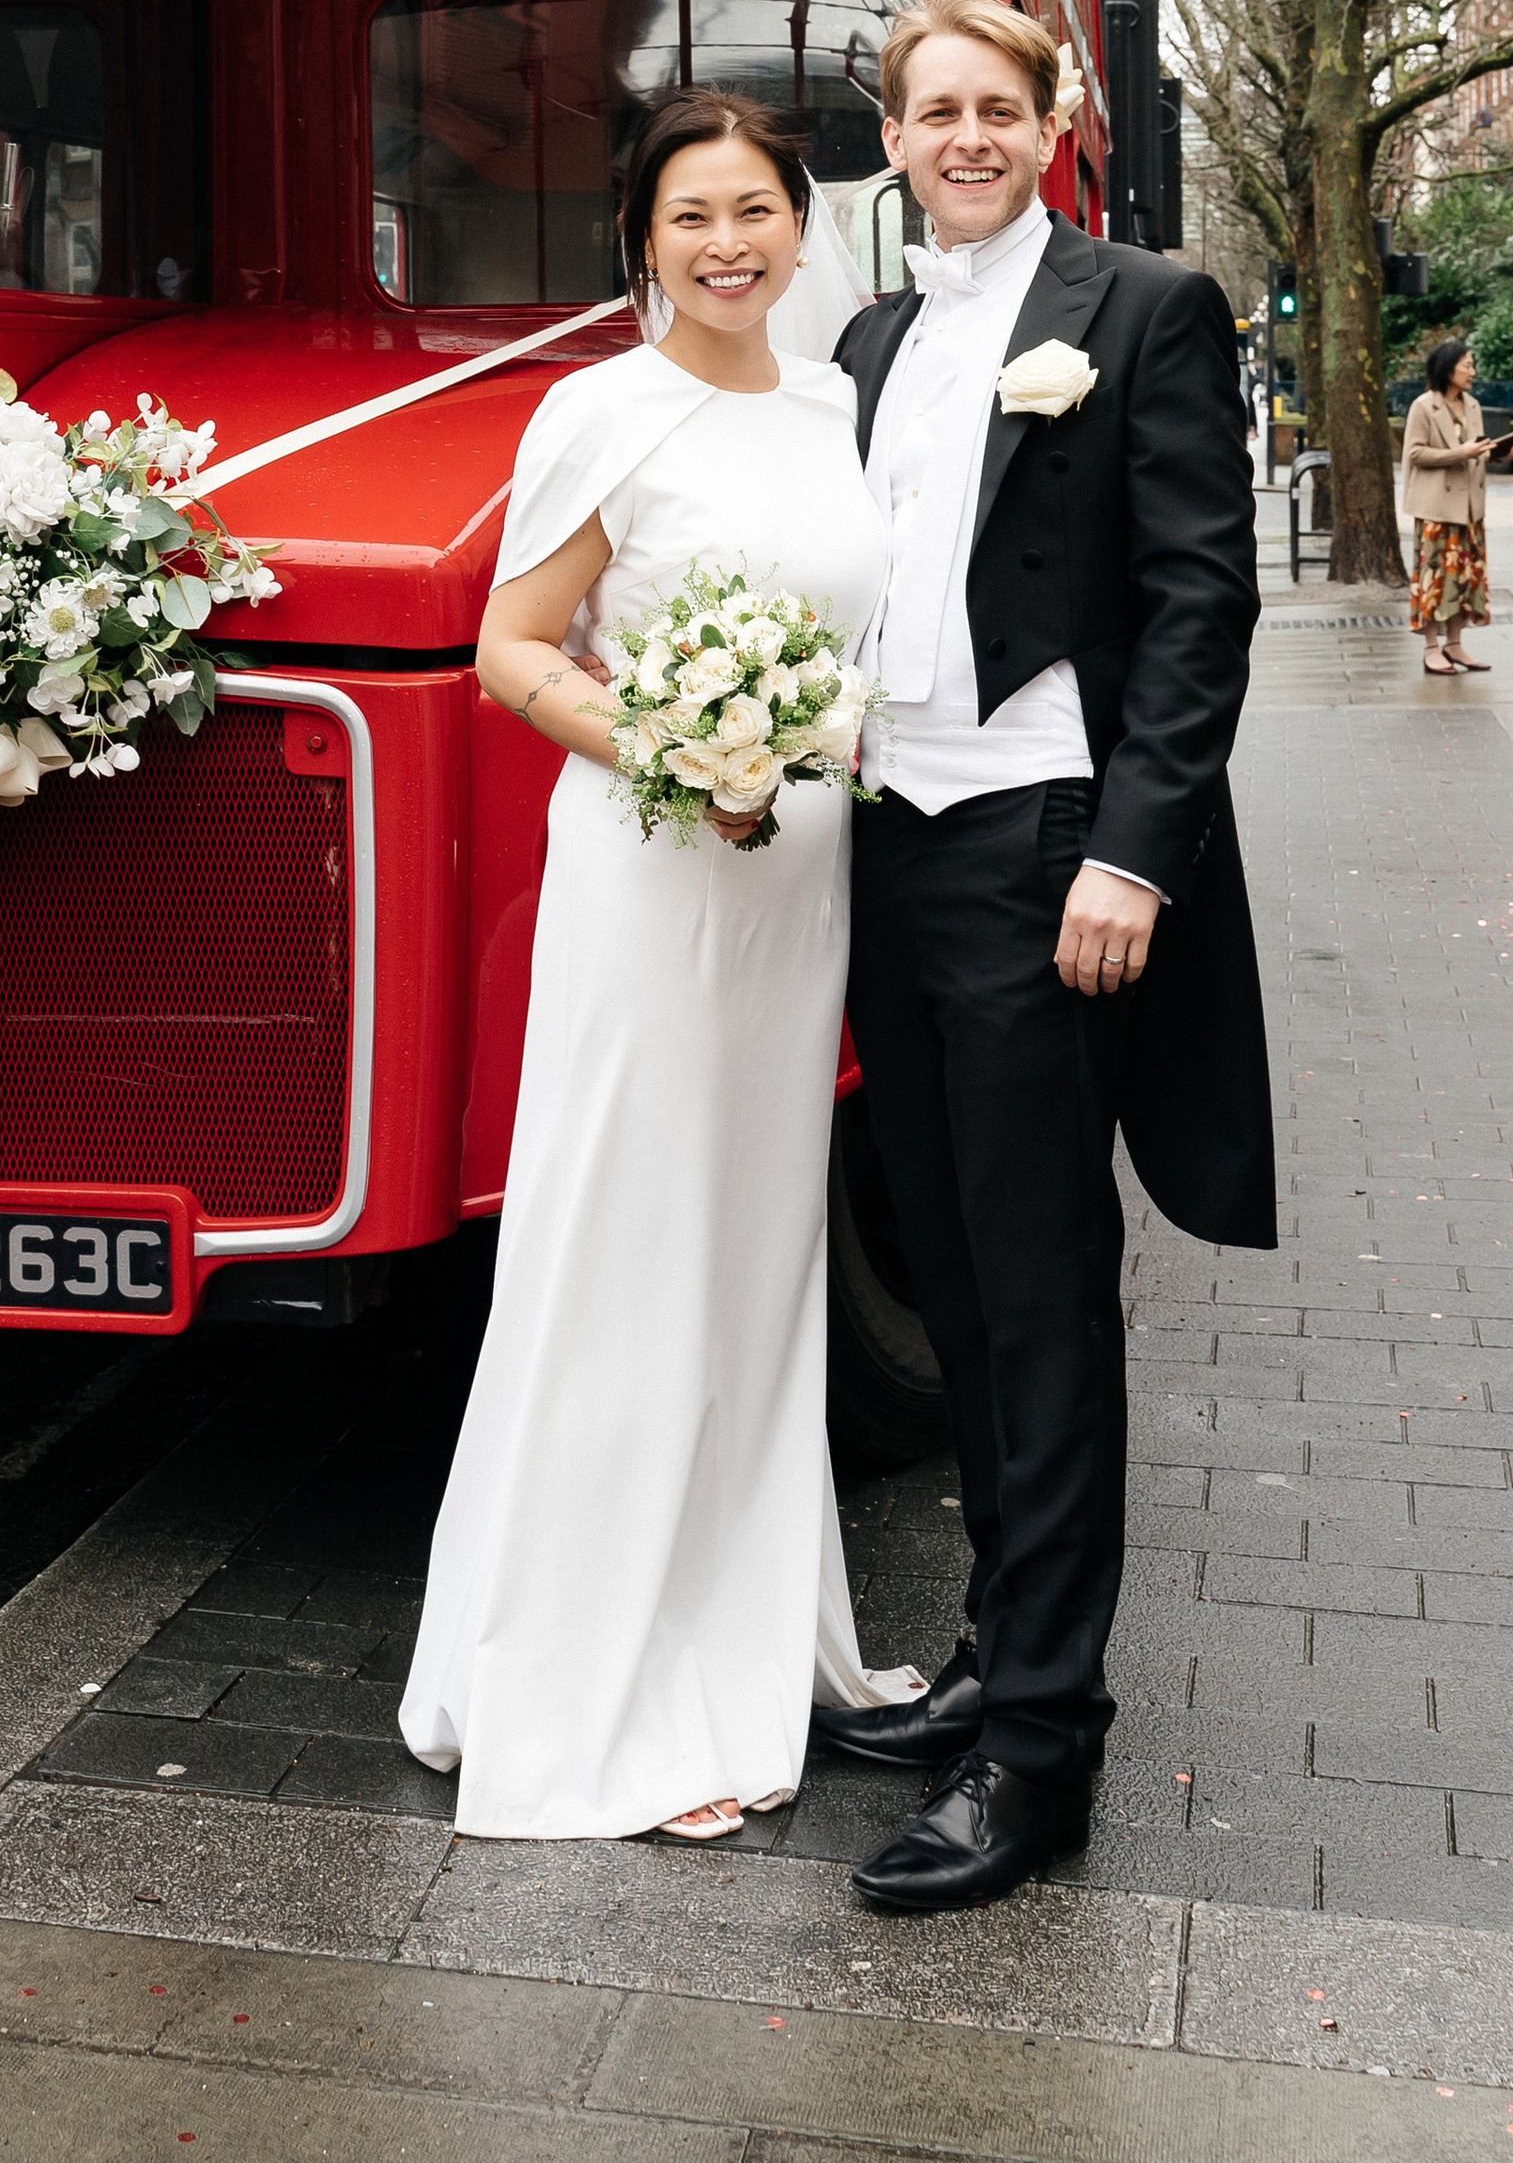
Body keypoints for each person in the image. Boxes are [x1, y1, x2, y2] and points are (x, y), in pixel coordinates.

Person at [399, 89, 924, 1841]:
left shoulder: (840, 403)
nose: (727, 243)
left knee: (759, 1253)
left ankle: (755, 1631)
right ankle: (599, 1680)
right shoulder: (597, 412)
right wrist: (676, 747)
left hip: (801, 880)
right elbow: (512, 650)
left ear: (799, 225)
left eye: (755, 210)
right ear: (643, 239)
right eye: (691, 215)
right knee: (630, 1240)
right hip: (652, 872)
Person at [813, 0, 1270, 1914]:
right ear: (895, 135)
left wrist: (1134, 863)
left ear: (1051, 116)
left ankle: (1043, 1748)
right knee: (964, 1288)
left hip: (1046, 845)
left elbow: (1195, 606)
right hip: (886, 848)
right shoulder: (869, 332)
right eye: (934, 110)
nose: (967, 136)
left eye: (998, 105)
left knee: (1046, 1294)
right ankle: (1002, 1643)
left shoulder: (1142, 310)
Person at [1402, 337, 1499, 674]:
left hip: (1470, 507)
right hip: (1436, 508)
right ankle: (1431, 647)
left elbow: (1475, 450)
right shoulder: (1423, 406)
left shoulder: (1472, 405)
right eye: (1467, 365)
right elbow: (1414, 453)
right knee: (1435, 578)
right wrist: (1462, 453)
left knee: (1465, 578)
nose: (1473, 371)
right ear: (1448, 369)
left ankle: (1455, 644)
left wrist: (1495, 452)